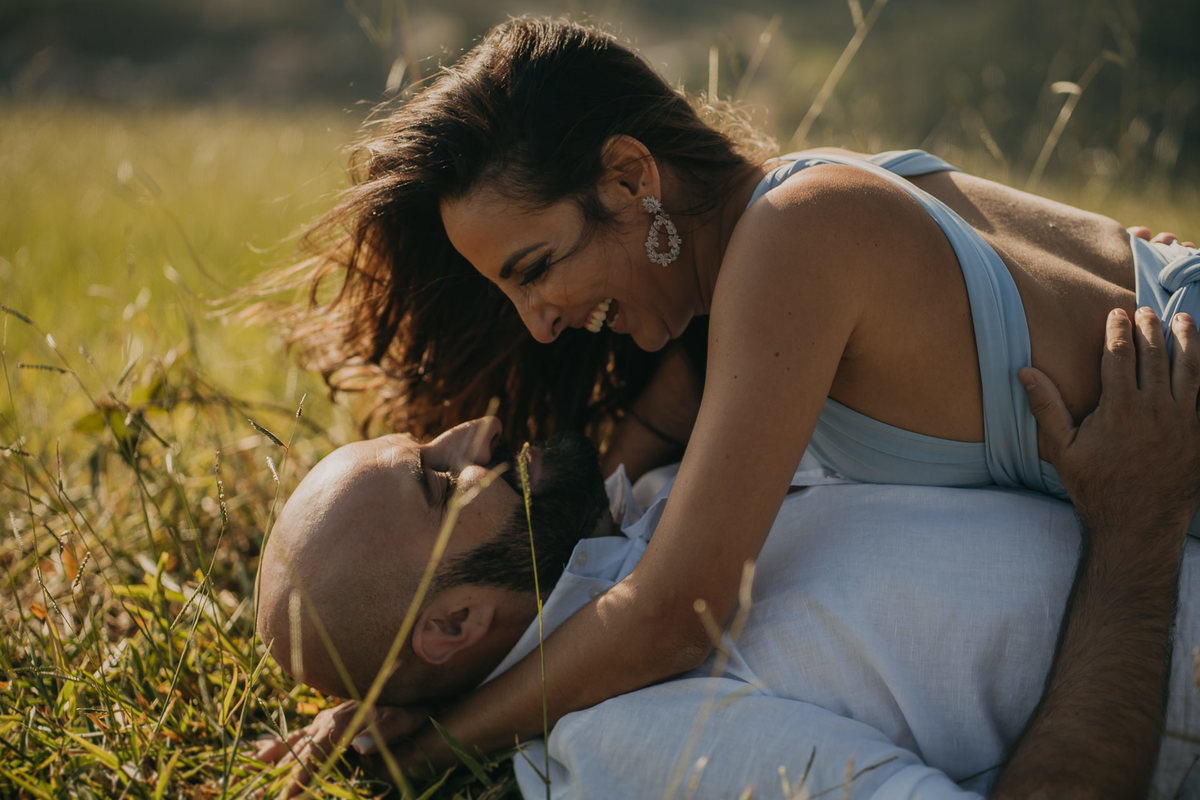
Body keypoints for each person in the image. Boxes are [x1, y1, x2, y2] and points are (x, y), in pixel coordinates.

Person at [275, 15, 1200, 778]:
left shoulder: (793, 247)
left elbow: (678, 612)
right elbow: (636, 462)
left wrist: (445, 736)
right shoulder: (787, 227)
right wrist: (408, 667)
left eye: (537, 269)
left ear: (633, 177)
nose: (539, 324)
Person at [256, 306, 1200, 798]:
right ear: (455, 621)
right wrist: (1138, 534)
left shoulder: (639, 515)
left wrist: (425, 730)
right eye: (436, 480)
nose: (478, 432)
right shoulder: (628, 743)